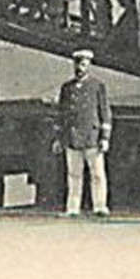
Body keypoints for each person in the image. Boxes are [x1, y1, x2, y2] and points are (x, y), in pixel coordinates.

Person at [56, 49, 112, 216]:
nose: (80, 68)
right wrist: (60, 138)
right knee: (74, 175)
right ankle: (73, 208)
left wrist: (105, 137)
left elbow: (105, 113)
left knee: (97, 174)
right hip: (73, 138)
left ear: (89, 65)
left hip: (92, 137)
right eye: (77, 64)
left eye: (83, 64)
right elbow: (62, 115)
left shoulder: (97, 86)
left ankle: (100, 206)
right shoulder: (67, 88)